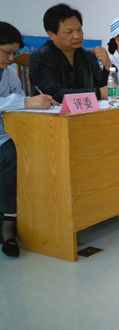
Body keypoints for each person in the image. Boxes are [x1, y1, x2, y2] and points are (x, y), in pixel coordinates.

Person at [0, 22, 55, 258]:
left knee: (31, 150)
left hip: (6, 132)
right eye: (7, 52)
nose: (11, 59)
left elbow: (20, 101)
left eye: (14, 53)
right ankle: (8, 223)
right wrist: (24, 102)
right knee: (11, 155)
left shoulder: (9, 73)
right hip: (4, 137)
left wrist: (39, 103)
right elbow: (20, 101)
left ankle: (30, 218)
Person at [29, 3, 111, 102]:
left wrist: (108, 67)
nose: (77, 36)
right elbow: (54, 93)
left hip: (87, 109)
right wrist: (98, 93)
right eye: (69, 32)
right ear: (51, 35)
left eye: (79, 30)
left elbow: (104, 89)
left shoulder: (88, 56)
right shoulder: (40, 58)